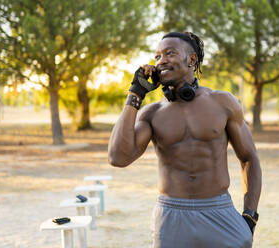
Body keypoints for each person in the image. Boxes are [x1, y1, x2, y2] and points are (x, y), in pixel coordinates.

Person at [108, 31, 262, 248]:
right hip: (171, 215)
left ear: (191, 59)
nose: (161, 61)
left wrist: (250, 216)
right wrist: (134, 95)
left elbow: (249, 158)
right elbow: (118, 157)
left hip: (219, 211)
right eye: (157, 56)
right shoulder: (152, 113)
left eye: (169, 53)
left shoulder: (223, 102)